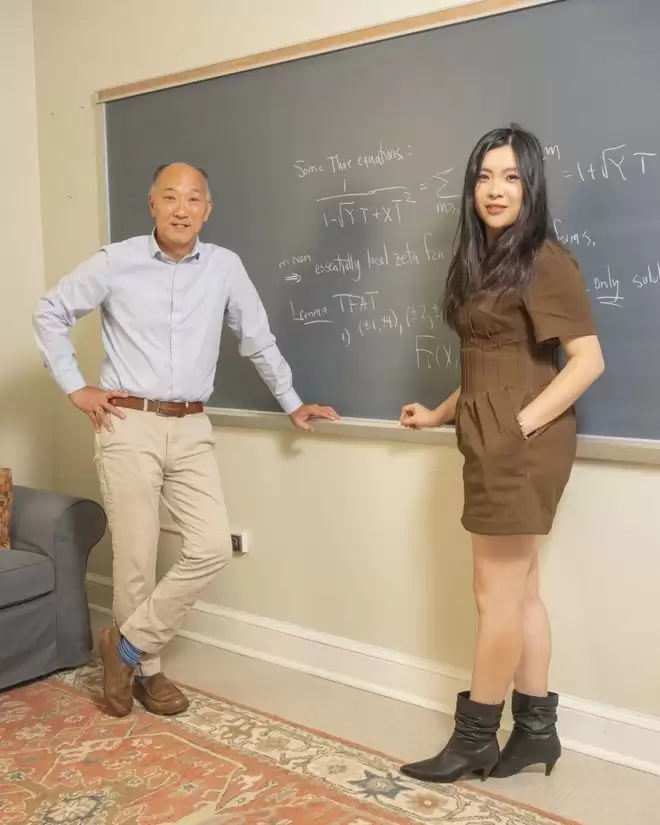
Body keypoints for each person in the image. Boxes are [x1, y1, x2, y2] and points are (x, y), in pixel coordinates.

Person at [34, 162, 339, 718]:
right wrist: (76, 387)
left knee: (211, 546)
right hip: (127, 422)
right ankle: (147, 672)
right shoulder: (116, 260)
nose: (181, 209)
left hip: (193, 424)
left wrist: (292, 402)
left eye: (193, 199)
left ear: (207, 209)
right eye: (170, 198)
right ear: (152, 204)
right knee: (136, 557)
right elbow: (50, 312)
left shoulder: (224, 267)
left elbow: (258, 338)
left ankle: (125, 647)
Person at [398, 125, 604, 783]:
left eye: (511, 176)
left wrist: (522, 424)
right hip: (489, 437)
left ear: (530, 186)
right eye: (485, 176)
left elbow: (588, 360)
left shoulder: (545, 259)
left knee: (495, 596)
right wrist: (439, 412)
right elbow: (492, 362)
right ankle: (536, 733)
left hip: (519, 445)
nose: (495, 189)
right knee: (520, 593)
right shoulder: (486, 261)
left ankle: (475, 739)